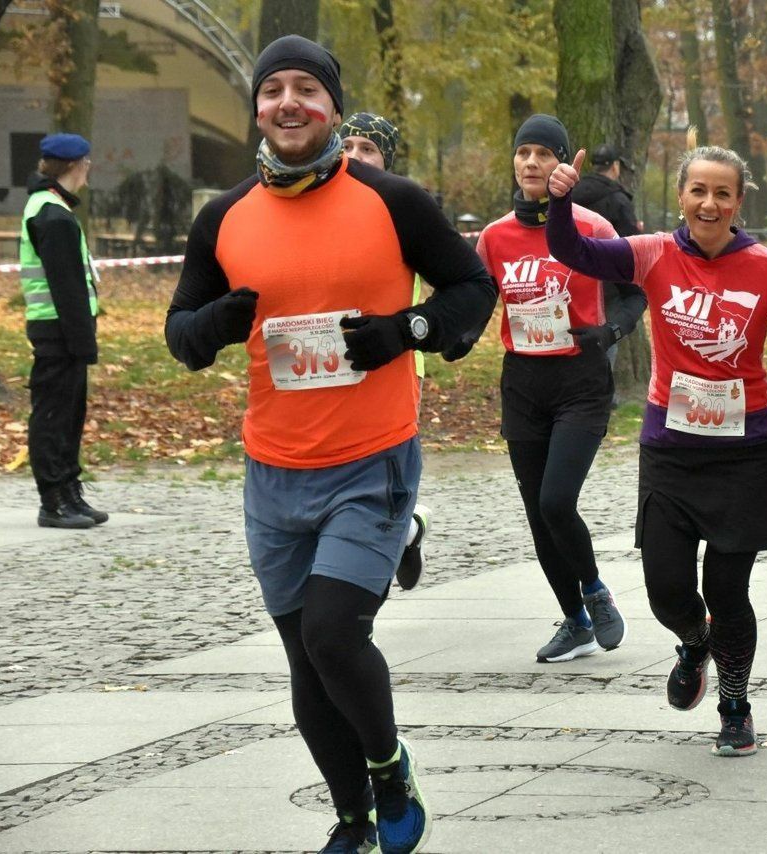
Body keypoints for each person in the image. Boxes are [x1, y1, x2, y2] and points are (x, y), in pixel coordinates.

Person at [165, 35, 497, 854]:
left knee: (332, 634)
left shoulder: (393, 202)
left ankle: (388, 769)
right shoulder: (224, 217)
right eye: (272, 88)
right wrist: (215, 323)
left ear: (333, 109)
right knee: (304, 657)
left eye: (306, 89)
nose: (288, 102)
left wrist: (404, 332)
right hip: (272, 471)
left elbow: (472, 288)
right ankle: (352, 817)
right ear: (257, 109)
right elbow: (181, 333)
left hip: (370, 461)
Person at [546, 140, 767, 757]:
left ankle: (735, 707)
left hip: (747, 454)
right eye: (698, 191)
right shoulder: (652, 254)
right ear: (681, 196)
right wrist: (558, 202)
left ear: (738, 203)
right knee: (666, 590)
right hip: (671, 450)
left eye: (722, 193)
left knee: (728, 591)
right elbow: (572, 250)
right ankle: (694, 642)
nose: (709, 203)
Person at [444, 114, 646, 663]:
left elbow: (634, 295)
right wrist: (461, 337)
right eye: (523, 152)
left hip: (580, 380)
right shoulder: (495, 236)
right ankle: (576, 621)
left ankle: (596, 591)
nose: (531, 163)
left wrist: (611, 332)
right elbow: (481, 299)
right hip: (524, 383)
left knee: (557, 500)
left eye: (543, 153)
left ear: (562, 164)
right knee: (538, 514)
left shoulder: (593, 227)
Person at [337, 111, 431, 590]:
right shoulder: (318, 203)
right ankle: (405, 530)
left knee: (383, 465)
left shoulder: (401, 207)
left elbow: (456, 281)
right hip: (331, 361)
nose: (354, 156)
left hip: (397, 360)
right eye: (346, 145)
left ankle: (389, 541)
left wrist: (416, 327)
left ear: (386, 160)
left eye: (368, 149)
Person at [20, 133, 109, 529]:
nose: (89, 170)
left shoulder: (53, 207)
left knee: (69, 414)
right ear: (75, 166)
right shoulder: (52, 215)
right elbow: (67, 288)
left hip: (61, 331)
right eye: (87, 163)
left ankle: (70, 492)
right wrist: (83, 342)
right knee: (55, 416)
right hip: (59, 332)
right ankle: (54, 500)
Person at [571, 142, 642, 408]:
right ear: (615, 166)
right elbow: (633, 245)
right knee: (606, 337)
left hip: (570, 279)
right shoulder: (618, 199)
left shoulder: (570, 193)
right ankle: (602, 395)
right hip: (608, 283)